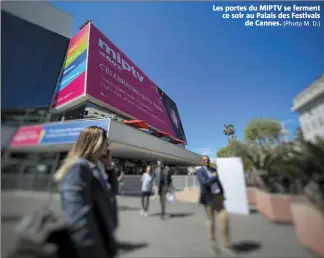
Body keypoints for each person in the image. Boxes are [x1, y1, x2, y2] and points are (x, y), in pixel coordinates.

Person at [54, 126, 118, 258]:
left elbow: (112, 193)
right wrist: (93, 251)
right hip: (91, 247)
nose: (108, 146)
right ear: (97, 143)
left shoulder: (94, 166)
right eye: (106, 142)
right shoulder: (79, 167)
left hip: (103, 236)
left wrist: (109, 167)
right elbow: (77, 217)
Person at [195, 155, 234, 256]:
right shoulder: (200, 172)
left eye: (207, 159)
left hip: (218, 197)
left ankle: (226, 246)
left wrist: (223, 193)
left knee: (225, 220)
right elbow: (204, 183)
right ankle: (213, 245)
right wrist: (214, 176)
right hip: (209, 199)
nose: (206, 161)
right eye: (204, 160)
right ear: (201, 162)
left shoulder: (213, 169)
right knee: (211, 222)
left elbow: (220, 181)